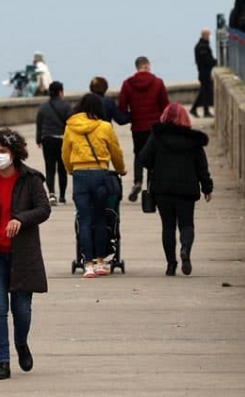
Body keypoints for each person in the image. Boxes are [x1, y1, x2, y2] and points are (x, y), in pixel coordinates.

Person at [0, 129, 50, 380]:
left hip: (22, 256)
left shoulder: (31, 179)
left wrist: (21, 219)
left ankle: (21, 342)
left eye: (2, 151)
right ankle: (2, 362)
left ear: (14, 153)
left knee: (22, 309)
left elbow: (43, 209)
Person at [132, 103, 213, 276]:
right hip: (186, 190)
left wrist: (157, 163)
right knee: (186, 224)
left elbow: (144, 158)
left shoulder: (157, 137)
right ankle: (185, 249)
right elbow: (201, 167)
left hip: (163, 189)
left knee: (168, 227)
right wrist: (207, 187)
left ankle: (171, 265)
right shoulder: (193, 140)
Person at [62, 93, 126, 278]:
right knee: (100, 219)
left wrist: (70, 170)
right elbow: (115, 151)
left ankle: (87, 264)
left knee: (84, 220)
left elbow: (65, 153)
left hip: (80, 175)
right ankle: (100, 262)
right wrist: (121, 169)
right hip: (100, 173)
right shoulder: (105, 127)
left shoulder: (71, 127)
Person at [118, 56, 170, 155]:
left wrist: (133, 116)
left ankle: (138, 171)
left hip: (137, 128)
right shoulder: (158, 82)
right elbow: (165, 106)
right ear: (146, 66)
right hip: (155, 127)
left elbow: (122, 108)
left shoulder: (127, 84)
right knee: (156, 156)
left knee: (138, 155)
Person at [35, 81, 72, 205]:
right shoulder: (66, 106)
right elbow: (71, 123)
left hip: (47, 139)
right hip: (62, 140)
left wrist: (38, 140)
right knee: (62, 168)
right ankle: (62, 196)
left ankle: (51, 194)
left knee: (50, 168)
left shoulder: (43, 107)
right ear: (61, 91)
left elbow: (39, 124)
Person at [191, 28, 216, 118]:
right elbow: (206, 60)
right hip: (204, 72)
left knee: (204, 92)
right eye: (209, 35)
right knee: (205, 92)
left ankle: (195, 109)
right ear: (205, 35)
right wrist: (215, 62)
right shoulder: (202, 47)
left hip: (204, 72)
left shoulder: (202, 45)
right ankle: (205, 111)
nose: (210, 37)